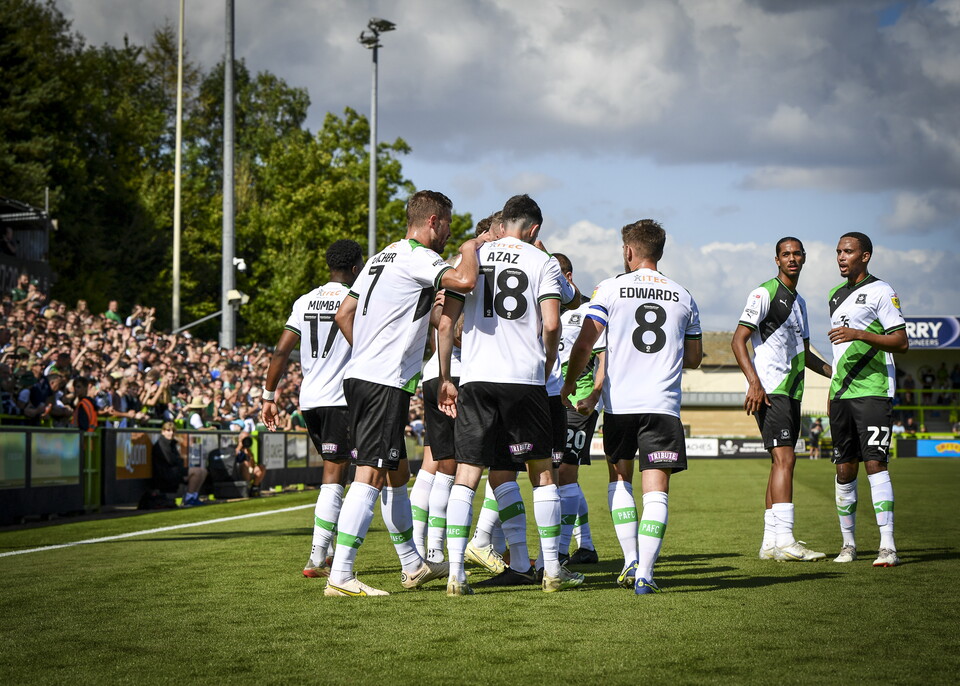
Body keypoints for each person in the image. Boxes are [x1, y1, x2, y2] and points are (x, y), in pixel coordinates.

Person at [325, 189, 490, 597]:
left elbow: (344, 314)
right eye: (450, 225)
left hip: (362, 375)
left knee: (397, 472)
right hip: (383, 381)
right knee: (371, 473)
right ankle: (341, 575)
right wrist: (472, 245)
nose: (452, 234)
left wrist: (367, 351)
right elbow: (466, 279)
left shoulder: (382, 257)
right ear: (433, 221)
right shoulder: (420, 256)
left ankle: (412, 564)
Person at [438, 193, 584, 595]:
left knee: (467, 475)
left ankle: (456, 573)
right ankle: (552, 569)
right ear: (534, 229)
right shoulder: (543, 261)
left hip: (477, 378)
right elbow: (552, 324)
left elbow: (446, 322)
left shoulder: (471, 257)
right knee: (541, 475)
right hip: (524, 380)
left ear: (503, 222)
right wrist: (548, 359)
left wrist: (446, 376)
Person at [562, 219, 702, 595]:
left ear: (628, 251)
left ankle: (629, 561)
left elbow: (585, 344)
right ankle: (646, 574)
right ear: (659, 250)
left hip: (621, 404)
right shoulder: (684, 294)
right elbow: (694, 357)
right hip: (663, 405)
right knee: (656, 490)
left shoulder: (609, 288)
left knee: (620, 479)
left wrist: (572, 382)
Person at [262, 238, 365, 579]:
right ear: (354, 268)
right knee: (336, 475)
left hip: (310, 400)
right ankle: (317, 556)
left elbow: (280, 351)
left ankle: (328, 546)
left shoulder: (305, 300)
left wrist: (268, 396)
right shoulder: (357, 297)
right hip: (340, 398)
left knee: (337, 470)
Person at [731, 237, 833, 562]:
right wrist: (754, 383)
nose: (792, 258)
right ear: (777, 260)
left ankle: (770, 543)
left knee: (779, 463)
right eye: (785, 254)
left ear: (804, 258)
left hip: (792, 392)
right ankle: (786, 541)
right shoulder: (764, 293)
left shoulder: (800, 303)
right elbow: (738, 340)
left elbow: (805, 353)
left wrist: (834, 371)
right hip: (772, 390)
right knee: (786, 460)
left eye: (796, 254)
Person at [827, 231, 908, 567]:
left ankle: (887, 546)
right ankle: (849, 545)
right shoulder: (833, 295)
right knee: (845, 469)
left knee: (875, 463)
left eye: (848, 251)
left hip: (873, 390)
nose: (841, 257)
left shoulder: (882, 291)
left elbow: (901, 341)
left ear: (865, 256)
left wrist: (859, 333)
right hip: (841, 394)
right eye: (838, 252)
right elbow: (839, 349)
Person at [152, 422, 209, 506]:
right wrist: (180, 462)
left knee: (203, 471)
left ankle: (194, 496)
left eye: (173, 431)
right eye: (168, 430)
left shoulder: (172, 444)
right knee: (196, 472)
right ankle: (188, 499)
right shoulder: (161, 444)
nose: (171, 433)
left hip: (174, 471)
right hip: (166, 474)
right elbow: (170, 461)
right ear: (163, 431)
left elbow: (177, 460)